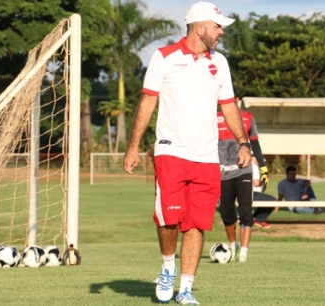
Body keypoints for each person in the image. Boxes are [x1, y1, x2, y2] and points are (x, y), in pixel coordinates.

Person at [123, 2, 251, 304]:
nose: (221, 32)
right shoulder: (163, 57)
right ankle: (168, 266)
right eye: (218, 26)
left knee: (197, 222)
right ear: (200, 27)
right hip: (171, 151)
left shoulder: (219, 63)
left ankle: (186, 288)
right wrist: (133, 147)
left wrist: (243, 143)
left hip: (207, 157)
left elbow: (229, 105)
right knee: (169, 219)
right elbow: (147, 104)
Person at [217, 109, 268, 262]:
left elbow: (255, 143)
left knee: (246, 211)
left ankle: (244, 251)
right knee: (226, 212)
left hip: (243, 171)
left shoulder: (248, 118)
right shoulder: (214, 118)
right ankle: (233, 246)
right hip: (222, 173)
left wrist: (263, 167)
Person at [251, 157, 277, 228]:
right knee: (273, 201)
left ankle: (254, 218)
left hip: (244, 193)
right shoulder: (254, 166)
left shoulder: (246, 164)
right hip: (252, 193)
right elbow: (256, 183)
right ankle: (259, 220)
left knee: (266, 200)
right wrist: (264, 180)